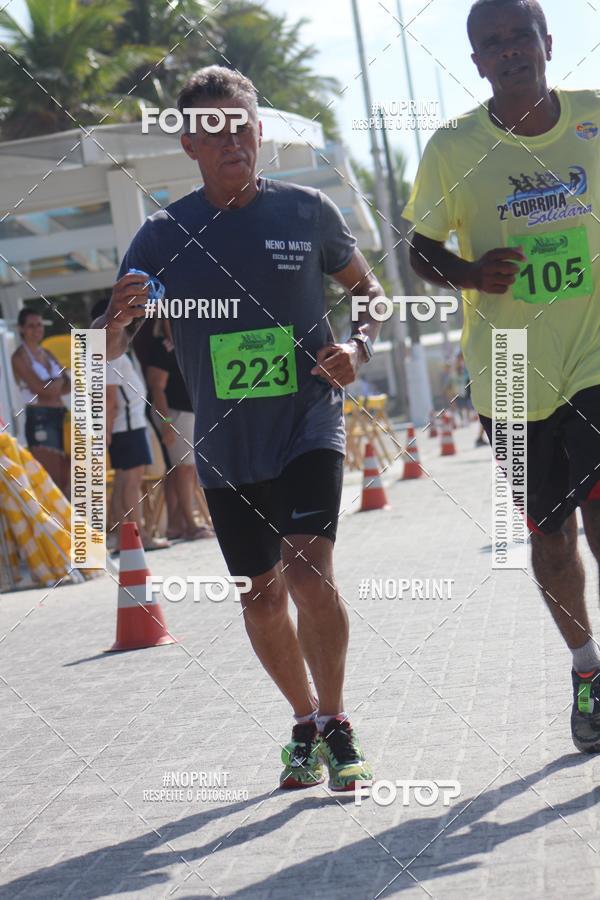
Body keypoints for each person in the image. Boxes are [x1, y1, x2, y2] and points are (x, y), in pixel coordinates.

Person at [94, 65, 384, 791]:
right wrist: (117, 316)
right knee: (260, 595)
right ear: (189, 143)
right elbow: (103, 348)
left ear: (259, 132)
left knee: (307, 567)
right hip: (225, 446)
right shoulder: (162, 235)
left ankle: (339, 720)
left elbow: (370, 295)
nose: (233, 140)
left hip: (307, 420)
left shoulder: (307, 211)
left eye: (243, 125)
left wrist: (359, 347)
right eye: (214, 129)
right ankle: (303, 720)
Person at [403, 0, 600, 753]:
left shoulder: (593, 119)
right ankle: (587, 670)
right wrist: (469, 272)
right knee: (551, 537)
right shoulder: (455, 148)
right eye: (495, 44)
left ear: (549, 44)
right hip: (510, 372)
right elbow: (418, 247)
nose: (512, 51)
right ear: (478, 61)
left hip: (594, 354)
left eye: (523, 36)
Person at [92, 299, 167, 552]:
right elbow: (109, 398)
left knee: (125, 483)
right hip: (127, 426)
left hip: (129, 425)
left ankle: (127, 536)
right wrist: (107, 432)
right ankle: (139, 536)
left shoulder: (115, 349)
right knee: (130, 484)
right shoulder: (110, 351)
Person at [146, 321, 213, 541]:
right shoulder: (160, 346)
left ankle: (177, 524)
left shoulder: (187, 342)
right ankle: (191, 525)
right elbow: (157, 387)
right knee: (185, 469)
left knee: (183, 470)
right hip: (173, 412)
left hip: (189, 411)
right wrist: (166, 422)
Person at [11, 309, 70, 496]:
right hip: (40, 418)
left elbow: (68, 384)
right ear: (21, 329)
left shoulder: (46, 353)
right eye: (31, 326)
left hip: (60, 415)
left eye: (39, 325)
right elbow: (41, 389)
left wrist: (55, 384)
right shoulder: (19, 357)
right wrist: (58, 382)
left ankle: (66, 521)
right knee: (50, 478)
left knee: (66, 475)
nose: (36, 329)